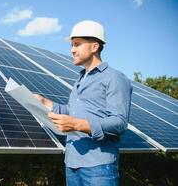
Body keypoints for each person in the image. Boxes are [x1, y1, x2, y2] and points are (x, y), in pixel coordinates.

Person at [34, 20, 132, 186]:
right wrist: (46, 103)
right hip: (71, 163)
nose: (72, 50)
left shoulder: (115, 78)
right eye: (72, 45)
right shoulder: (80, 79)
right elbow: (71, 112)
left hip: (98, 167)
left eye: (77, 44)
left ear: (94, 47)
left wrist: (77, 124)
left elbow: (119, 122)